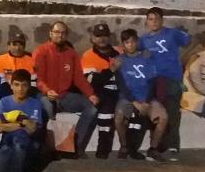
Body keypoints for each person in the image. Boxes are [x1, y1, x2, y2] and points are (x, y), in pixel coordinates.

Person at [33, 21, 99, 158]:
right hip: (45, 95)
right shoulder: (41, 51)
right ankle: (44, 147)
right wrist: (47, 91)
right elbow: (39, 79)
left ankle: (75, 146)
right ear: (50, 33)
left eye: (63, 33)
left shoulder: (72, 54)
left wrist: (91, 94)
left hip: (65, 96)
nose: (60, 35)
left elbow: (79, 78)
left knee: (92, 108)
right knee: (47, 107)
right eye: (57, 32)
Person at [139, 7, 191, 155]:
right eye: (150, 19)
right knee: (155, 111)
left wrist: (184, 60)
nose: (154, 22)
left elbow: (189, 42)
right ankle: (158, 143)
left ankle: (173, 144)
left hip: (171, 78)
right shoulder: (143, 40)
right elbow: (133, 53)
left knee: (172, 110)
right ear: (146, 22)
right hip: (153, 80)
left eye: (157, 19)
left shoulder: (172, 33)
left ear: (162, 20)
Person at [114, 29, 168, 162]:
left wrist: (146, 102)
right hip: (128, 98)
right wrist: (134, 101)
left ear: (137, 42)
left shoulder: (146, 58)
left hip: (146, 98)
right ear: (123, 44)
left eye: (133, 42)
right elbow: (121, 84)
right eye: (127, 42)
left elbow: (152, 82)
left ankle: (153, 148)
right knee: (118, 117)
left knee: (163, 117)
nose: (130, 45)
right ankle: (124, 146)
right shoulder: (119, 61)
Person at [0, 69, 42, 172]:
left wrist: (12, 124)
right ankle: (13, 168)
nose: (20, 89)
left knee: (19, 141)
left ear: (29, 86)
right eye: (17, 85)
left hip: (27, 143)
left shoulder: (35, 103)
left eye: (24, 85)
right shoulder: (4, 101)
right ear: (11, 86)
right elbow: (0, 125)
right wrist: (23, 122)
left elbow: (32, 129)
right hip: (7, 142)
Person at [80, 23, 121, 159]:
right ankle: (103, 149)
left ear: (109, 37)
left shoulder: (119, 53)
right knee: (105, 115)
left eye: (105, 35)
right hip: (101, 93)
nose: (102, 39)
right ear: (92, 38)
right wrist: (111, 70)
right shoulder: (87, 56)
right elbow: (92, 80)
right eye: (98, 36)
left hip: (121, 92)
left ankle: (129, 149)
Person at [0, 31, 34, 96]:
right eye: (14, 44)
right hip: (4, 94)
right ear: (9, 46)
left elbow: (33, 83)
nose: (17, 48)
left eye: (21, 44)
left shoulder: (31, 61)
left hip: (26, 94)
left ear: (24, 46)